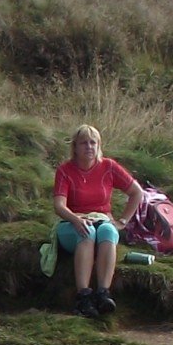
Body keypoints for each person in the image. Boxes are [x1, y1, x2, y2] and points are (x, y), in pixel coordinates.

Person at [52, 125, 138, 318]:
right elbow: (59, 206)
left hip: (102, 220)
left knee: (108, 231)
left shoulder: (108, 167)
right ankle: (83, 296)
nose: (89, 147)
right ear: (75, 147)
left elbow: (136, 192)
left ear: (99, 145)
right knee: (87, 232)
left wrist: (123, 221)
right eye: (84, 143)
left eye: (93, 142)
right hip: (72, 223)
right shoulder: (65, 170)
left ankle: (103, 293)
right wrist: (75, 219)